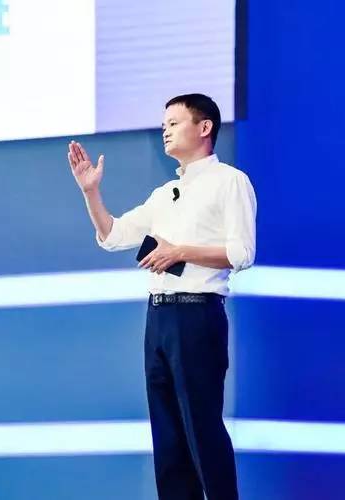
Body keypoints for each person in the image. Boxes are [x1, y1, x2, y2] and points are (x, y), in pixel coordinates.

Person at [67, 93, 256, 500]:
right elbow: (113, 235)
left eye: (174, 122)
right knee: (168, 440)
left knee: (202, 429)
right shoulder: (165, 193)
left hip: (197, 315)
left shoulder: (230, 181)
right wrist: (91, 193)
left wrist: (179, 252)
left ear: (204, 127)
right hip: (159, 319)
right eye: (163, 123)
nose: (165, 130)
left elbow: (242, 252)